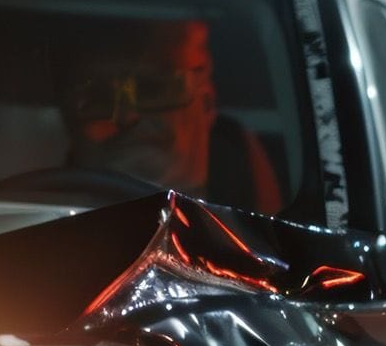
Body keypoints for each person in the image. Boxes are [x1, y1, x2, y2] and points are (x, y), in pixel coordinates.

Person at [60, 20, 281, 212]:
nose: (127, 116)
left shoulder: (253, 249)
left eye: (151, 89)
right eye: (100, 97)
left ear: (207, 104)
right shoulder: (36, 240)